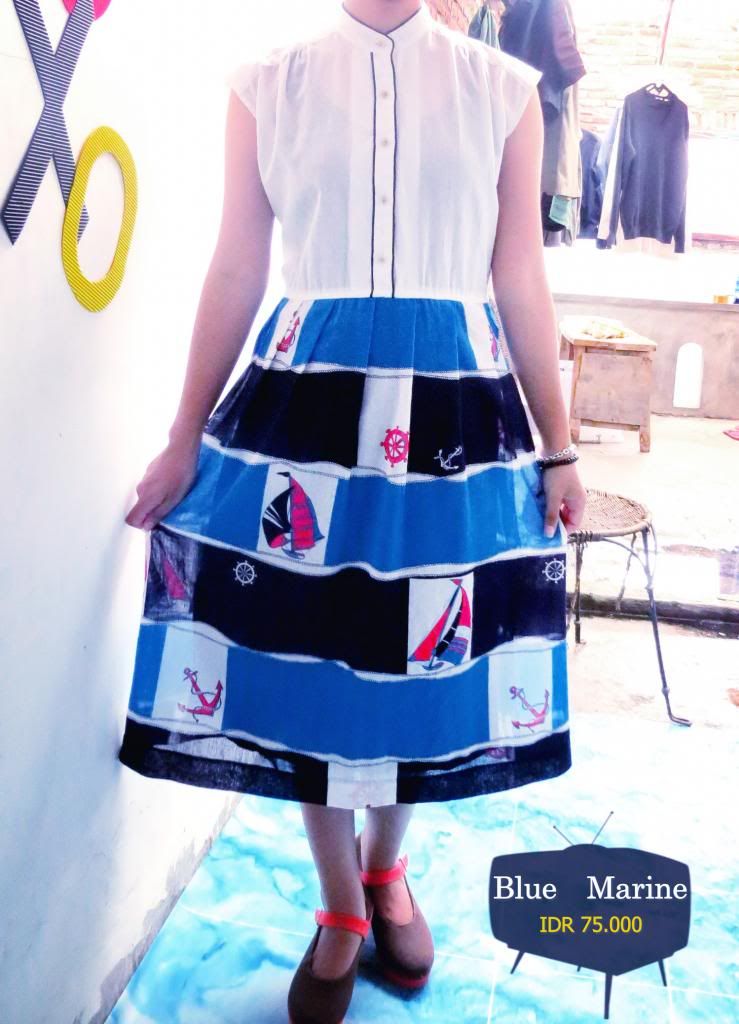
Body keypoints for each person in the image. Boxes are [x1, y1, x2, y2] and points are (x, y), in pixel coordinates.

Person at [120, 1, 587, 1021]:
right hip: (308, 409)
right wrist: (183, 434)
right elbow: (237, 265)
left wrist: (557, 445)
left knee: (430, 654)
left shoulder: (502, 90)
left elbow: (519, 273)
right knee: (308, 653)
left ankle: (387, 868)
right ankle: (339, 905)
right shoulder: (264, 85)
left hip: (452, 413)